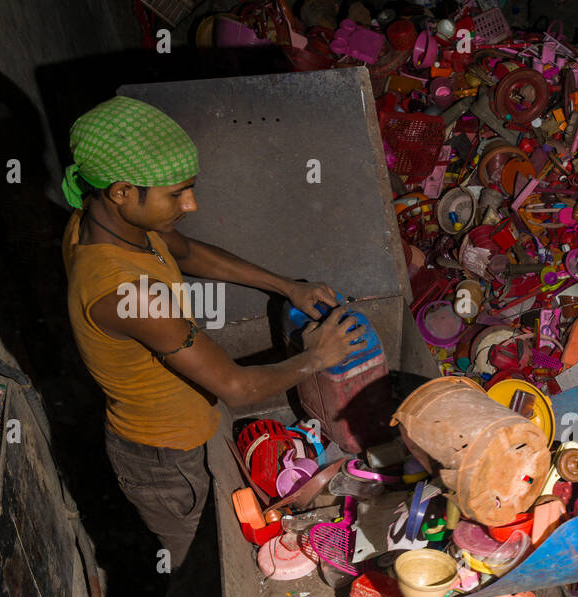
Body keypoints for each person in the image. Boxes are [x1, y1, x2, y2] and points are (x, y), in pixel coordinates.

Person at [62, 95, 358, 568]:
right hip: (165, 459)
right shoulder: (127, 295)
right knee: (193, 566)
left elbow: (187, 252)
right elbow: (237, 387)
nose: (191, 203)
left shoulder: (108, 224)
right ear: (120, 191)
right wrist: (316, 357)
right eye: (177, 193)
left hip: (188, 424)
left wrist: (286, 286)